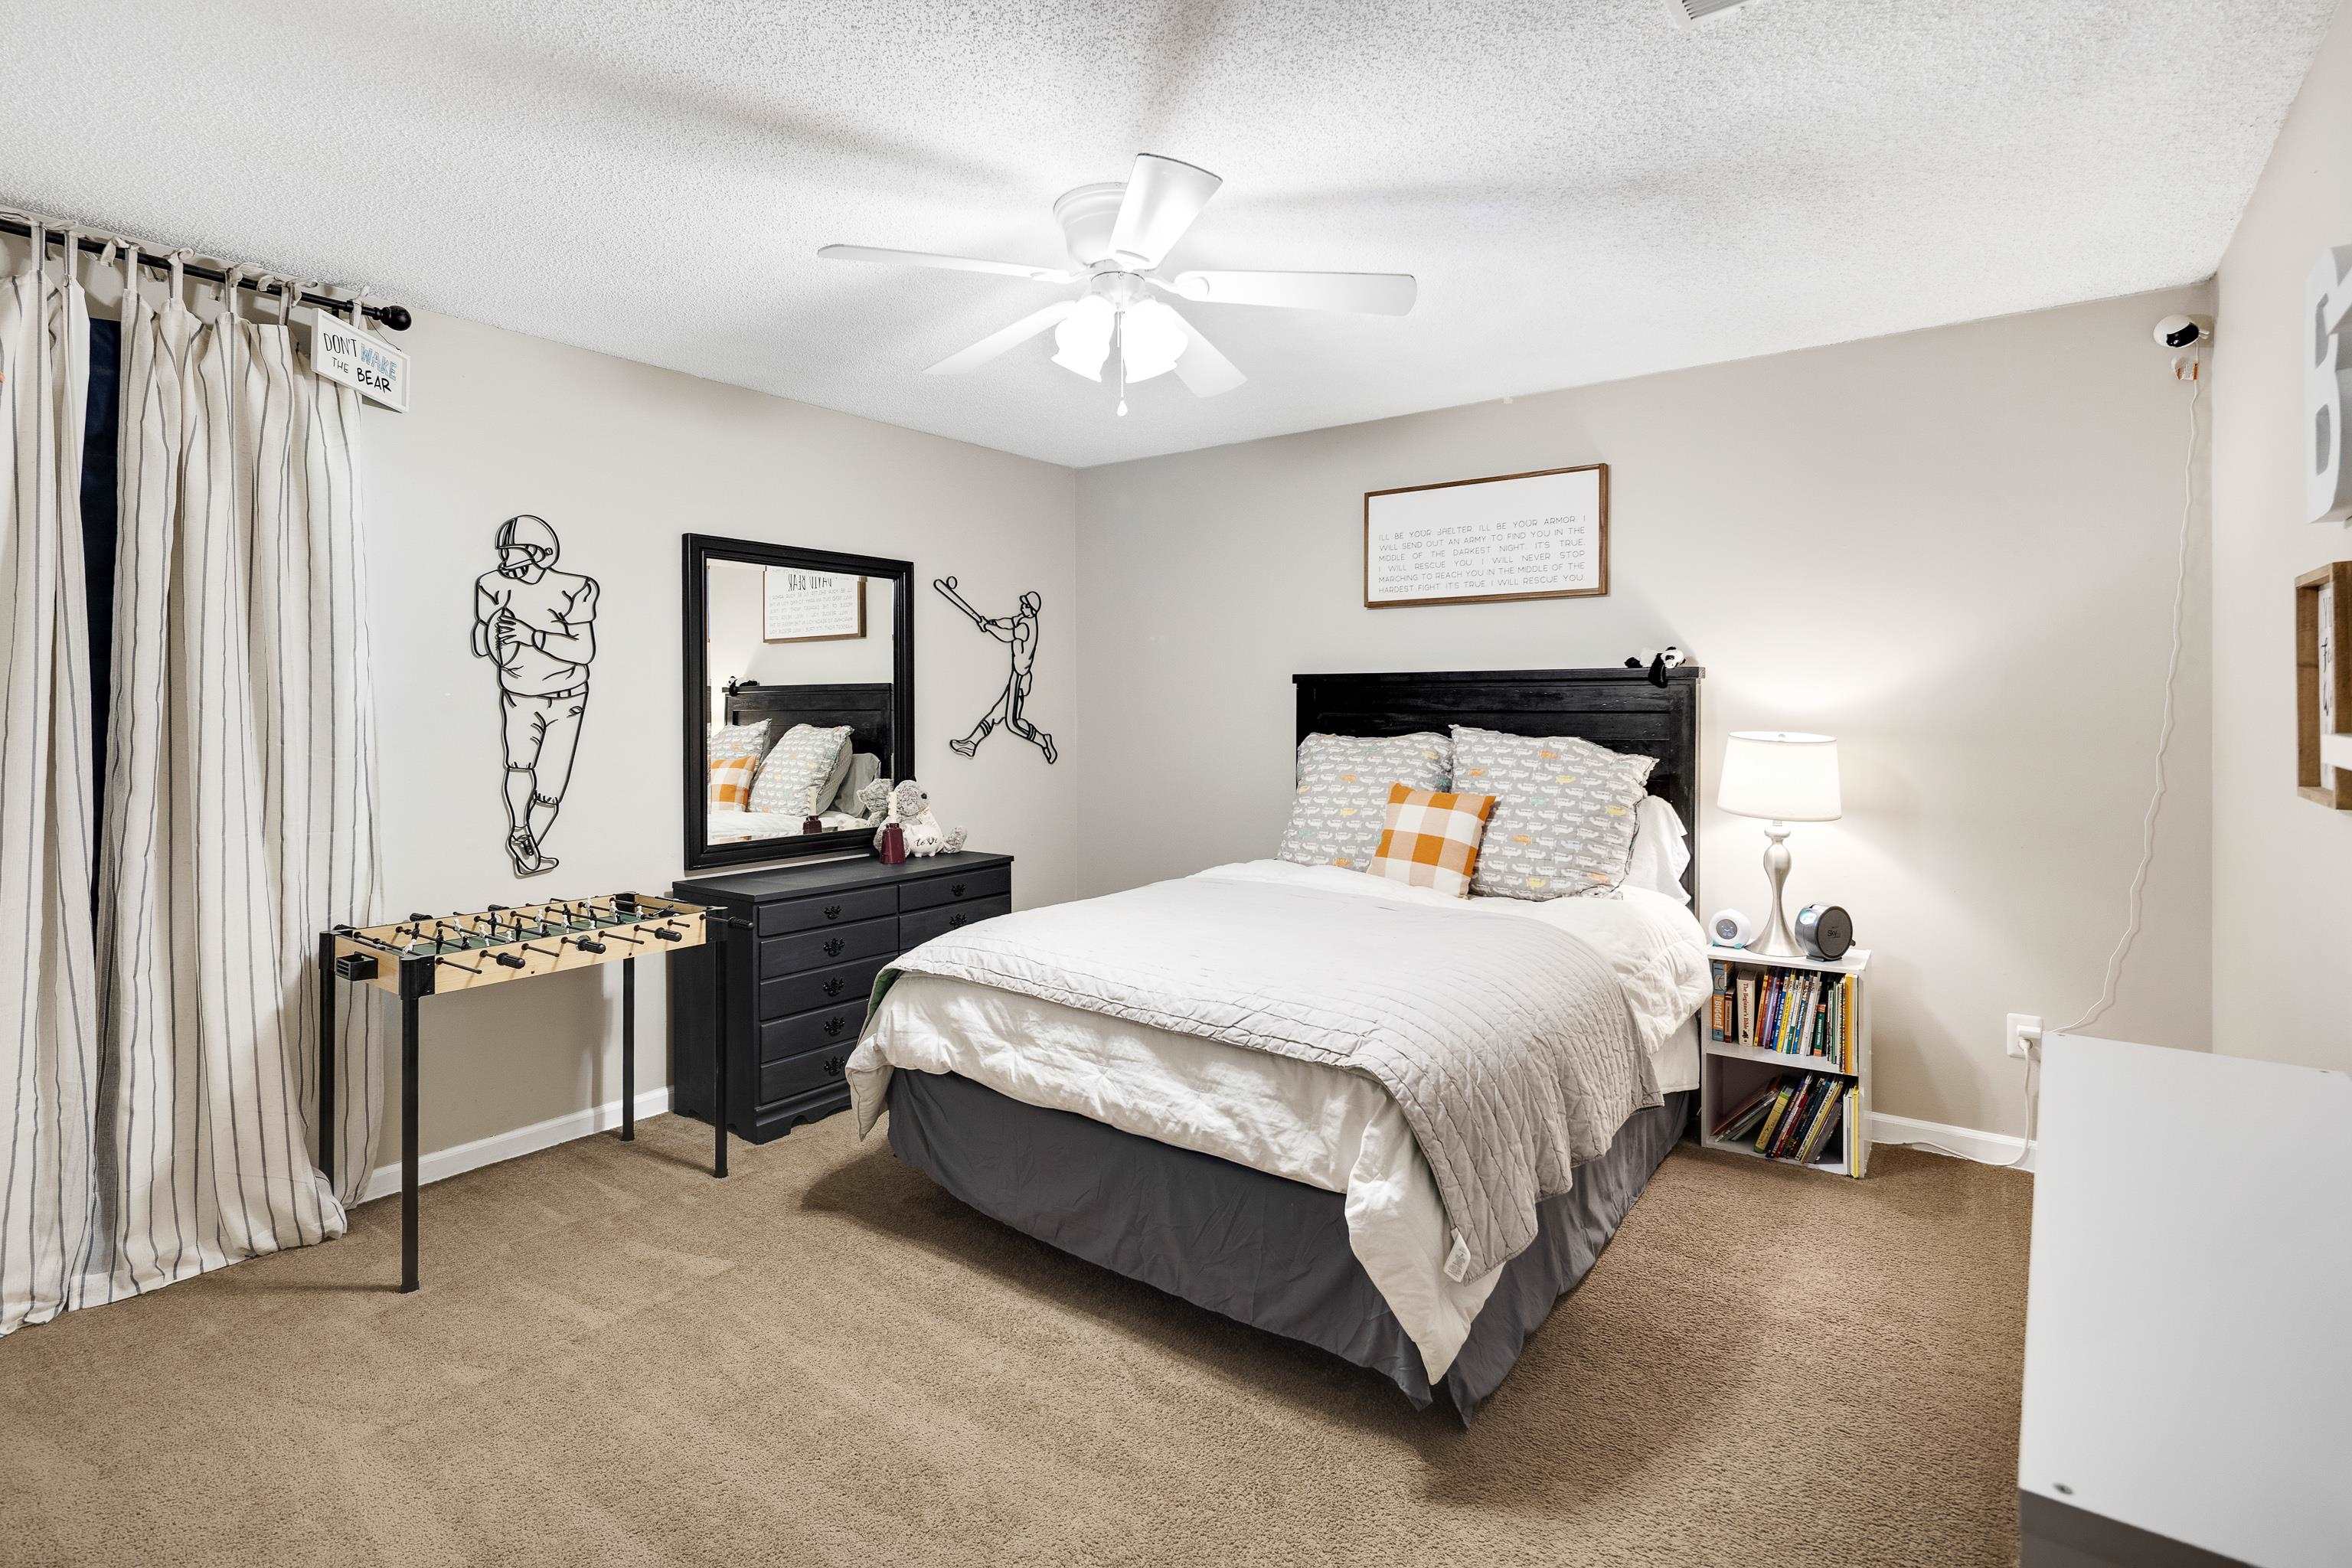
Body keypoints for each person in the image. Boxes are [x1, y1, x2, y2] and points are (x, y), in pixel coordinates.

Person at [471, 514, 599, 875]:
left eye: (512, 552)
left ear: (537, 552)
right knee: (519, 765)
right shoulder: (491, 584)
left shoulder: (576, 587)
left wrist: (531, 635)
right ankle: (520, 833)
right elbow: (484, 644)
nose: (505, 561)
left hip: (568, 696)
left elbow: (583, 650)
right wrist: (493, 636)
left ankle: (530, 851)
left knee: (551, 788)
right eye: (503, 552)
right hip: (519, 693)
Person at [934, 577, 1057, 764]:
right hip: (1016, 676)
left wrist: (989, 628)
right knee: (996, 714)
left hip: (1020, 679)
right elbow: (1008, 622)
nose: (1022, 607)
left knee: (1013, 724)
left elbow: (1006, 636)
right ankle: (971, 744)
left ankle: (1043, 740)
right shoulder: (1023, 618)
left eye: (1025, 606)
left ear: (1032, 611)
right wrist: (990, 622)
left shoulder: (1027, 626)